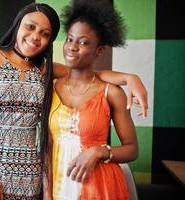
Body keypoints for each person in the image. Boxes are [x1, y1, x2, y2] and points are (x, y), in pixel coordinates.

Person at [0, 2, 145, 200]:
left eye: (45, 34)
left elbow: (90, 74)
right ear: (18, 24)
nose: (35, 37)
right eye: (30, 26)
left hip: (29, 173)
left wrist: (130, 78)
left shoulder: (44, 69)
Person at [48, 0, 139, 199]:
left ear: (99, 50)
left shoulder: (111, 93)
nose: (72, 47)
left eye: (83, 42)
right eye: (70, 39)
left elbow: (132, 150)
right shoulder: (50, 85)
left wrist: (98, 152)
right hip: (56, 183)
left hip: (98, 187)